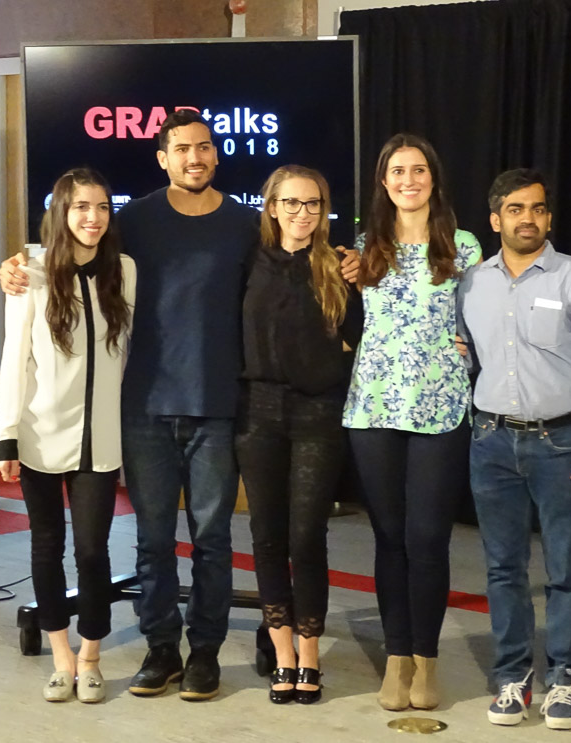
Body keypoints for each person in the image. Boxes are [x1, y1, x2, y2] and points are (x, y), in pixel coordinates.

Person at [0, 109, 360, 701]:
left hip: (220, 408)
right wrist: (19, 264)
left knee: (214, 539)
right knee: (153, 541)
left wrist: (345, 260)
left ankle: (206, 653)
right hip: (140, 408)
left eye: (204, 147)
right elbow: (71, 250)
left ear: (216, 155)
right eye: (182, 149)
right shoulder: (132, 220)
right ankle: (161, 647)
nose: (195, 157)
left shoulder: (248, 226)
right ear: (163, 158)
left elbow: (301, 255)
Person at [458, 168, 571, 730]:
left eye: (536, 208)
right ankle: (512, 676)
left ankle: (564, 679)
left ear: (549, 217)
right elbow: (468, 358)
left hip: (564, 442)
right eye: (515, 209)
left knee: (565, 570)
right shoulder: (471, 283)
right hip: (490, 441)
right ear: (495, 219)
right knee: (502, 568)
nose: (527, 218)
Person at [342, 133, 482, 711]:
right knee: (389, 536)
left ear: (433, 178)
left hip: (442, 405)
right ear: (383, 181)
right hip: (374, 407)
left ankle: (426, 659)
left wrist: (474, 345)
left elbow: (489, 317)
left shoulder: (465, 245)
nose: (408, 180)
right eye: (397, 171)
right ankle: (396, 655)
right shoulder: (364, 246)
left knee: (427, 537)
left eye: (418, 170)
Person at [0, 168, 136, 703]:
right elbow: (15, 357)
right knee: (46, 545)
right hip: (37, 436)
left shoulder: (124, 271)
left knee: (93, 551)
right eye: (81, 207)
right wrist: (6, 434)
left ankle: (92, 654)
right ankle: (61, 655)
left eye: (101, 207)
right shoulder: (28, 269)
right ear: (61, 212)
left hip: (98, 440)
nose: (92, 217)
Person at [235, 165, 362, 704]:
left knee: (307, 536)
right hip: (257, 411)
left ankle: (310, 655)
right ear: (271, 207)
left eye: (313, 204)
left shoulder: (339, 267)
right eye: (291, 203)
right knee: (266, 536)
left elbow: (363, 338)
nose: (302, 213)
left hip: (318, 412)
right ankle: (282, 655)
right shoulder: (246, 261)